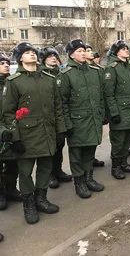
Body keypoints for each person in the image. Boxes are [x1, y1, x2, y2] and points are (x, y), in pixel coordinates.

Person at [3, 42, 66, 224]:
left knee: (46, 168)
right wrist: (14, 138)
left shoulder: (49, 78)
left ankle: (41, 198)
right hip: (26, 136)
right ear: (20, 58)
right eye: (27, 52)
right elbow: (8, 113)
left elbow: (58, 107)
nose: (31, 55)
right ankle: (29, 204)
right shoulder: (13, 82)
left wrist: (60, 131)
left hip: (47, 132)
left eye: (33, 52)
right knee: (25, 172)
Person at [58, 39, 104, 199]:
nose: (83, 53)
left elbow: (101, 96)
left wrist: (101, 114)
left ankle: (89, 178)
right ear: (71, 54)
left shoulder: (94, 72)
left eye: (84, 50)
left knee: (90, 150)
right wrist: (67, 124)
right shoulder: (65, 74)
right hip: (76, 121)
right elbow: (62, 103)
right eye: (79, 51)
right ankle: (79, 183)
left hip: (93, 119)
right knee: (77, 154)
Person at [104, 40, 130, 179]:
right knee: (118, 142)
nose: (126, 50)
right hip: (120, 111)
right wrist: (114, 112)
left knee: (128, 140)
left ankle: (124, 163)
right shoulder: (111, 68)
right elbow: (109, 93)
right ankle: (116, 167)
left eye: (127, 48)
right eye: (123, 48)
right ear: (116, 52)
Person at [38, 47, 73, 189]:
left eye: (55, 55)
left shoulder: (61, 73)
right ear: (43, 59)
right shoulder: (41, 74)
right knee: (49, 148)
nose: (53, 58)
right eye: (50, 56)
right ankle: (50, 175)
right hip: (46, 117)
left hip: (60, 115)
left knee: (60, 144)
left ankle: (58, 171)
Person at [0, 53, 23, 211]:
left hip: (12, 128)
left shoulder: (12, 83)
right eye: (2, 63)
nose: (6, 65)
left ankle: (11, 189)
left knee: (13, 163)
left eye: (7, 63)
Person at [85, 44, 106, 167]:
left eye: (89, 50)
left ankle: (91, 158)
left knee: (95, 136)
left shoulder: (98, 70)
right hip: (84, 110)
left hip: (96, 108)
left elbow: (102, 90)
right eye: (87, 50)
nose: (90, 52)